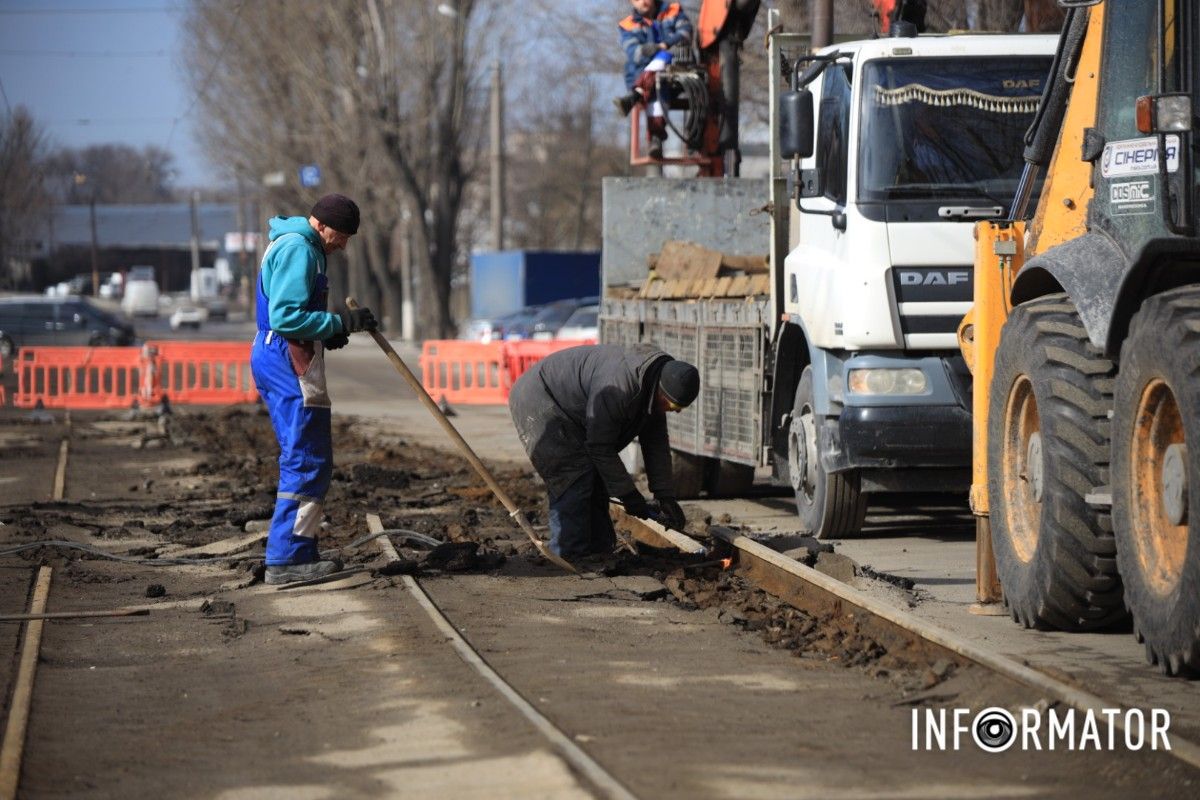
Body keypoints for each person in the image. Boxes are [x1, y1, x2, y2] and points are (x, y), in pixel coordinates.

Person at [251, 193, 378, 586]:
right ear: (320, 225)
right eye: (340, 235)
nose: (343, 244)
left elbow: (296, 315)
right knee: (306, 457)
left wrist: (329, 331)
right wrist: (337, 324)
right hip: (287, 360)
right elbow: (286, 316)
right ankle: (287, 559)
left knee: (310, 456)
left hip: (287, 356)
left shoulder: (302, 246)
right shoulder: (299, 250)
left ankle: (298, 551)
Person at [508, 343, 700, 561]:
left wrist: (665, 496)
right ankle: (568, 557)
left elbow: (655, 444)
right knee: (573, 477)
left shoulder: (655, 385)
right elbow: (600, 447)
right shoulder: (620, 387)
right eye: (671, 406)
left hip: (575, 409)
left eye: (678, 410)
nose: (671, 412)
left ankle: (599, 554)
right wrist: (629, 495)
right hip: (541, 400)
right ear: (660, 389)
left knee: (598, 479)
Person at [614, 0, 694, 159]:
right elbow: (634, 52)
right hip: (647, 75)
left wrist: (664, 45)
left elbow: (685, 34)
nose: (643, 1)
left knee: (664, 61)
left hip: (676, 73)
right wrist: (650, 52)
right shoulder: (627, 25)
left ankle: (636, 93)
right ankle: (656, 137)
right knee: (657, 86)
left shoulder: (674, 11)